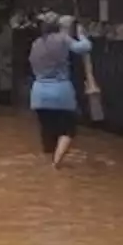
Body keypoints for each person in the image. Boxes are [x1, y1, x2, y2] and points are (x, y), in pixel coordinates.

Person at [29, 13, 92, 168]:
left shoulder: (36, 43)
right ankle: (56, 163)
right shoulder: (62, 38)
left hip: (38, 95)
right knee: (68, 130)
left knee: (47, 133)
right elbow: (84, 47)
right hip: (60, 93)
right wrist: (82, 35)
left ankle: (46, 163)